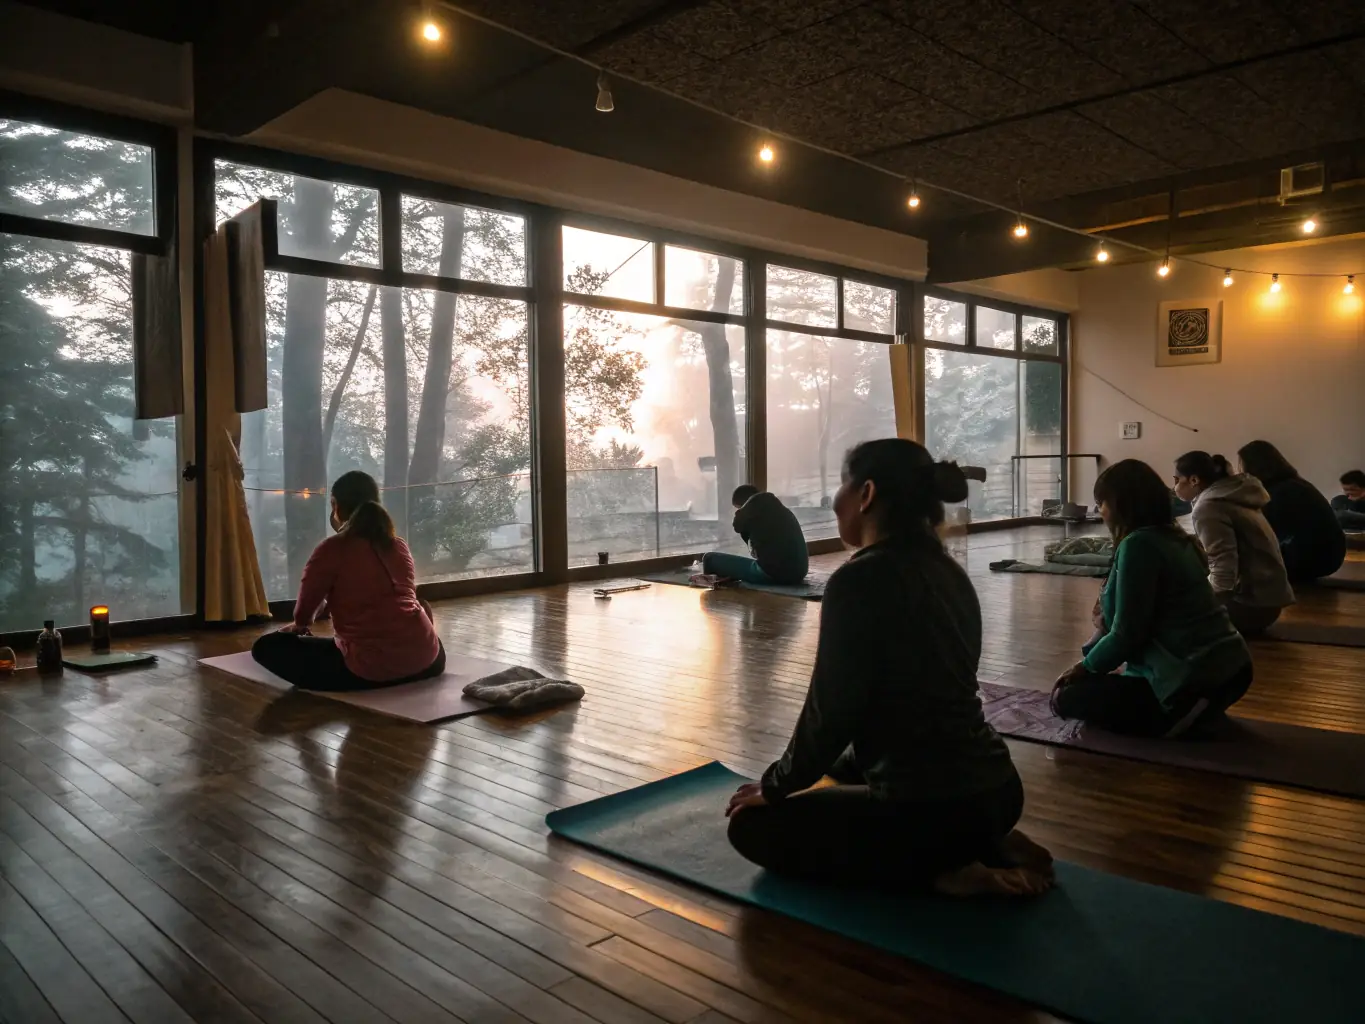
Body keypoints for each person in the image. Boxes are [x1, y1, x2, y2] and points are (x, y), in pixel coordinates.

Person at [725, 439, 1053, 898]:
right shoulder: (949, 572)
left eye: (843, 484)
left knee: (752, 829)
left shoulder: (858, 580)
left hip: (934, 805)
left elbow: (831, 711)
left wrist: (776, 785)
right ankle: (986, 839)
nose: (836, 499)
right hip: (998, 789)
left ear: (867, 494)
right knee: (844, 766)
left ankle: (945, 869)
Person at [1053, 460, 1252, 737]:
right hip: (1234, 668)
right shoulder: (1177, 537)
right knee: (1107, 682)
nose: (1101, 511)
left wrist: (1084, 668)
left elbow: (1127, 633)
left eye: (1102, 502)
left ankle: (1181, 711)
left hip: (1197, 677)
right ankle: (1197, 706)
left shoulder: (1139, 545)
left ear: (1122, 504)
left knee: (1066, 698)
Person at [251, 471, 444, 691]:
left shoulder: (332, 548)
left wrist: (300, 625)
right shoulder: (398, 545)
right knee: (421, 611)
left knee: (266, 647)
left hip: (368, 670)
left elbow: (303, 614)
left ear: (336, 506)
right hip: (429, 661)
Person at [1173, 451, 1294, 635]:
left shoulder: (1209, 506)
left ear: (1194, 480)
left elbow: (1223, 571)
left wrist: (1196, 604)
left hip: (1248, 607)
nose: (1175, 486)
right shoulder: (1234, 495)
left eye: (1177, 479)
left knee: (1165, 606)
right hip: (1268, 603)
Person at [1237, 440, 1346, 582]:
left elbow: (1264, 535)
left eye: (1242, 467)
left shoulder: (1280, 492)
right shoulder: (1295, 484)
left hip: (1315, 560)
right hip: (1330, 557)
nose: (1240, 473)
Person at [701, 484, 809, 586]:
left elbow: (737, 526)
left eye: (738, 508)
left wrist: (741, 513)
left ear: (744, 504)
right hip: (799, 573)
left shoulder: (750, 509)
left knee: (709, 558)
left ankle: (711, 583)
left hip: (773, 574)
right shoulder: (782, 510)